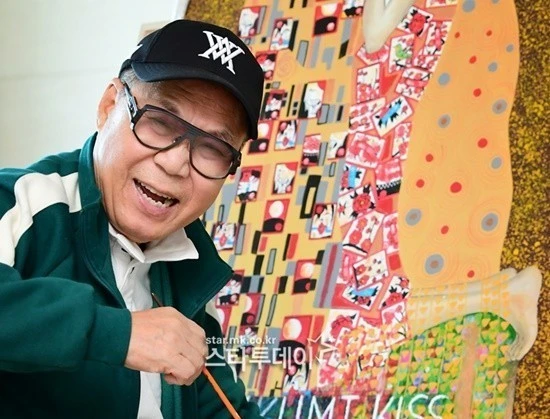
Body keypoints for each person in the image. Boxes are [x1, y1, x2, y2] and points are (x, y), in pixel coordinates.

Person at [0, 19, 265, 418]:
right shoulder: (21, 203)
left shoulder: (189, 276)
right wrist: (116, 334)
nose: (176, 163)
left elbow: (221, 408)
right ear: (109, 106)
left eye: (213, 148)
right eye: (160, 121)